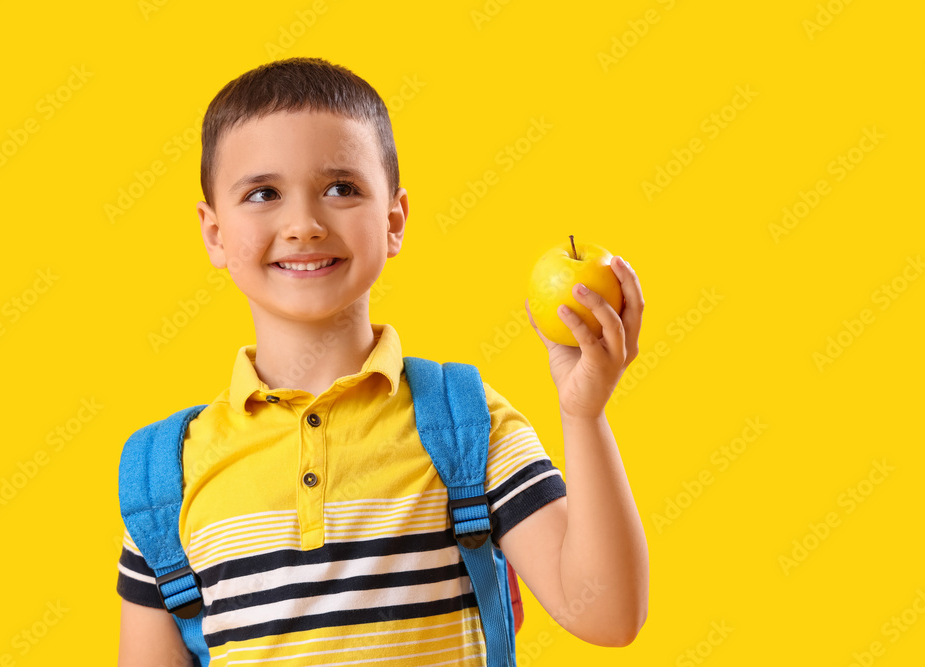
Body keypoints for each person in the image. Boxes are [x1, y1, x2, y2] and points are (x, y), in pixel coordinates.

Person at [116, 56, 648, 666]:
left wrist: (583, 413)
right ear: (213, 232)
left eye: (341, 188)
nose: (303, 225)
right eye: (263, 193)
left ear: (394, 221)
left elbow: (607, 615)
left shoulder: (464, 424)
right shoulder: (167, 478)